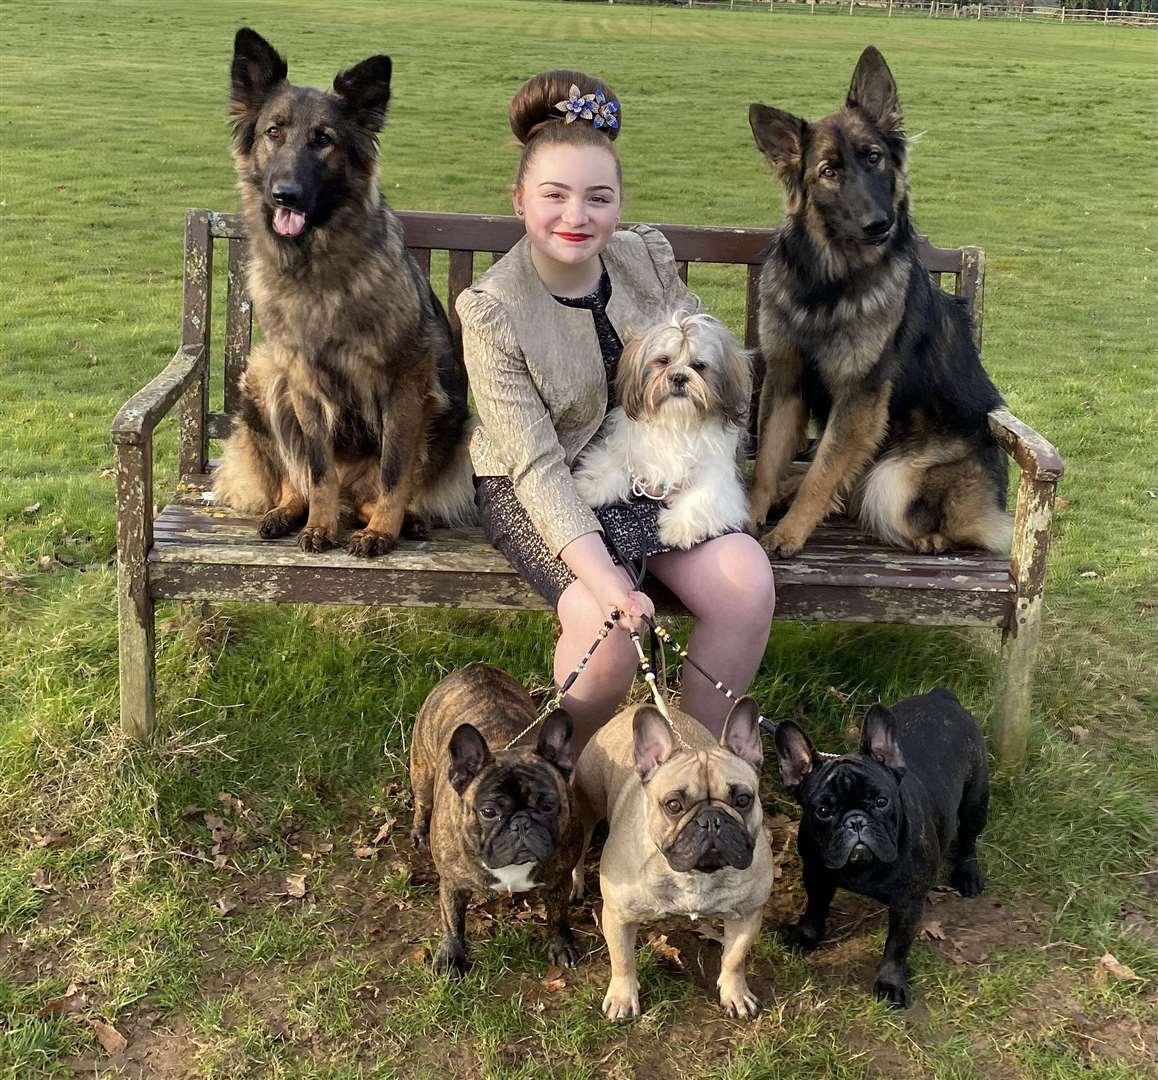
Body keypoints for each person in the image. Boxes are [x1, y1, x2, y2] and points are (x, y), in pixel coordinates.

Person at [456, 69, 775, 751]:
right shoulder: (493, 311)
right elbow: (537, 465)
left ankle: (691, 766)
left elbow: (712, 381)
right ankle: (562, 775)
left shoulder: (645, 260)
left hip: (656, 471)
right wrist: (605, 582)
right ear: (519, 200)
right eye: (554, 196)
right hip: (539, 487)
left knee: (745, 581)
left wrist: (694, 478)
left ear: (620, 202)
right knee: (609, 640)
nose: (577, 216)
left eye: (598, 198)